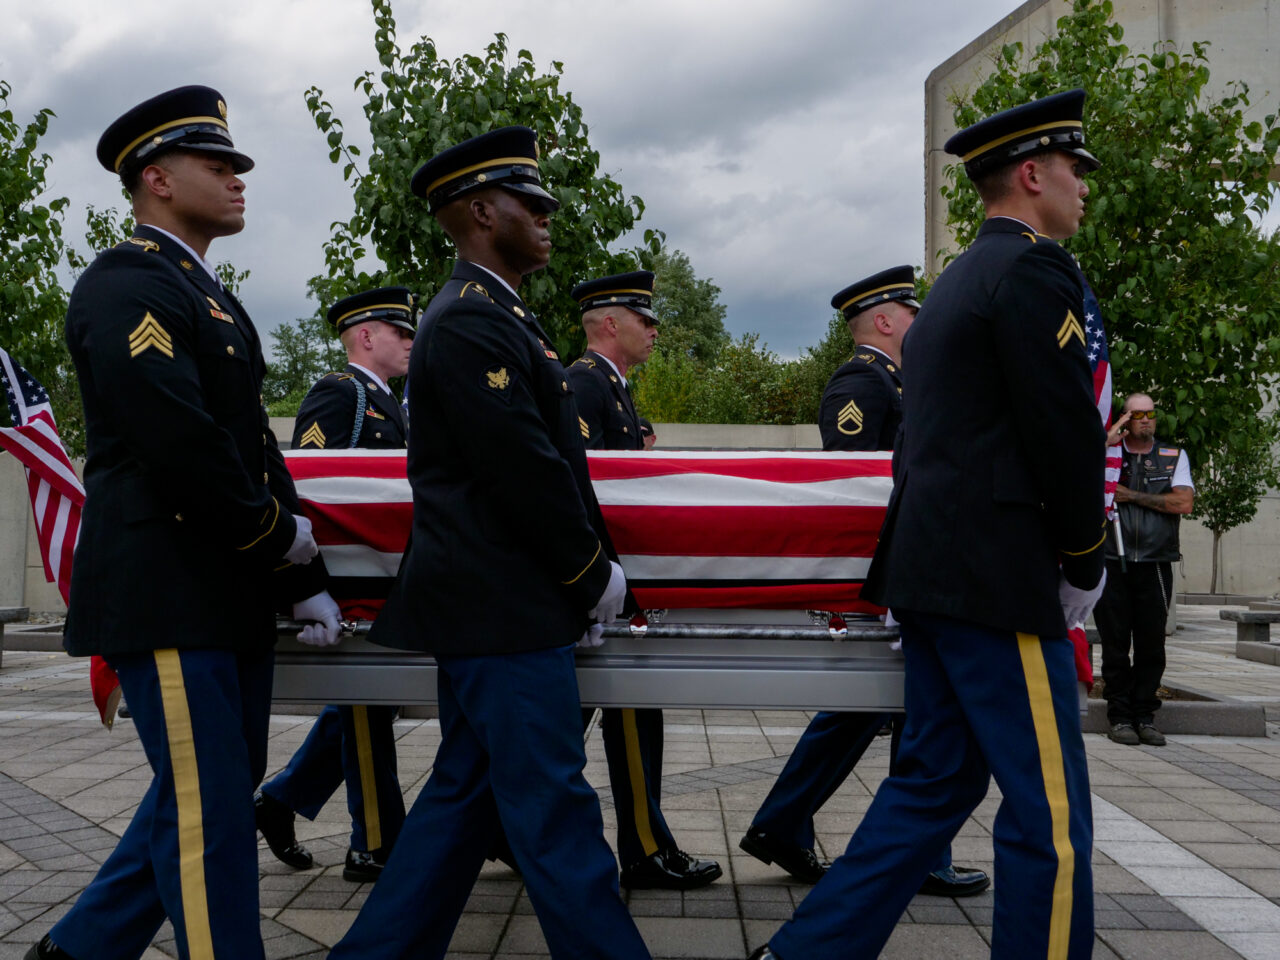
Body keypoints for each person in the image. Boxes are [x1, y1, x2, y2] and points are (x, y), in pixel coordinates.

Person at [749, 88, 1107, 960]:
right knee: (1049, 813)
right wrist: (1085, 556)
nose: (1085, 187)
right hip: (1000, 582)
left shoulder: (952, 287)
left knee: (933, 785)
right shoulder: (1031, 270)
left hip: (938, 578)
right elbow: (1061, 428)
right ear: (1031, 174)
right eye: (1073, 168)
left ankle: (807, 954)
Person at [27, 86, 341, 960]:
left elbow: (252, 449)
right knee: (208, 820)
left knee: (201, 794)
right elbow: (179, 441)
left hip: (221, 593)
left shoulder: (206, 295)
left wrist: (302, 575)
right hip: (169, 595)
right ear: (156, 179)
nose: (239, 180)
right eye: (219, 165)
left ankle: (83, 948)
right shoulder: (126, 284)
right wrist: (275, 536)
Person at [328, 127, 651, 960]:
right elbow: (524, 469)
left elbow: (549, 460)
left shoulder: (501, 314)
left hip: (500, 604)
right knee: (555, 814)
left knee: (461, 804)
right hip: (502, 607)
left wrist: (587, 572)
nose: (546, 215)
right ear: (480, 212)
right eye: (529, 203)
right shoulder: (470, 322)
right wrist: (587, 574)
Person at [741, 267, 988, 897]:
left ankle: (788, 824)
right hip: (892, 575)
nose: (919, 320)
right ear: (884, 320)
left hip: (907, 571)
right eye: (910, 312)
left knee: (881, 708)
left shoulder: (903, 380)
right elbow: (856, 481)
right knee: (896, 708)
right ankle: (904, 851)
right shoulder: (863, 380)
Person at [567, 271, 722, 890]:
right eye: (644, 319)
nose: (655, 329)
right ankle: (645, 849)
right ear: (610, 323)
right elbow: (580, 490)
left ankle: (502, 825)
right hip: (599, 583)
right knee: (632, 710)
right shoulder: (583, 384)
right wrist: (596, 579)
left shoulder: (616, 389)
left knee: (615, 713)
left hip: (613, 583)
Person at [255, 288, 416, 882]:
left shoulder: (393, 406)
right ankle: (374, 841)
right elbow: (311, 489)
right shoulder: (339, 393)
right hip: (344, 583)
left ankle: (281, 799)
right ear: (365, 336)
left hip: (384, 579)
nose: (410, 340)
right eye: (399, 331)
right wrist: (310, 583)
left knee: (374, 698)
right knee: (367, 701)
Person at [1095, 392, 1194, 747]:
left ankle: (1145, 715)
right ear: (1124, 419)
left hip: (1154, 562)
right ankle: (1120, 717)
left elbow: (1183, 501)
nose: (1146, 420)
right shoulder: (1106, 456)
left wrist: (1133, 496)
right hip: (1111, 559)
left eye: (1150, 413)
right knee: (1115, 644)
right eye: (1137, 414)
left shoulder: (1172, 456)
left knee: (1152, 645)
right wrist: (1103, 441)